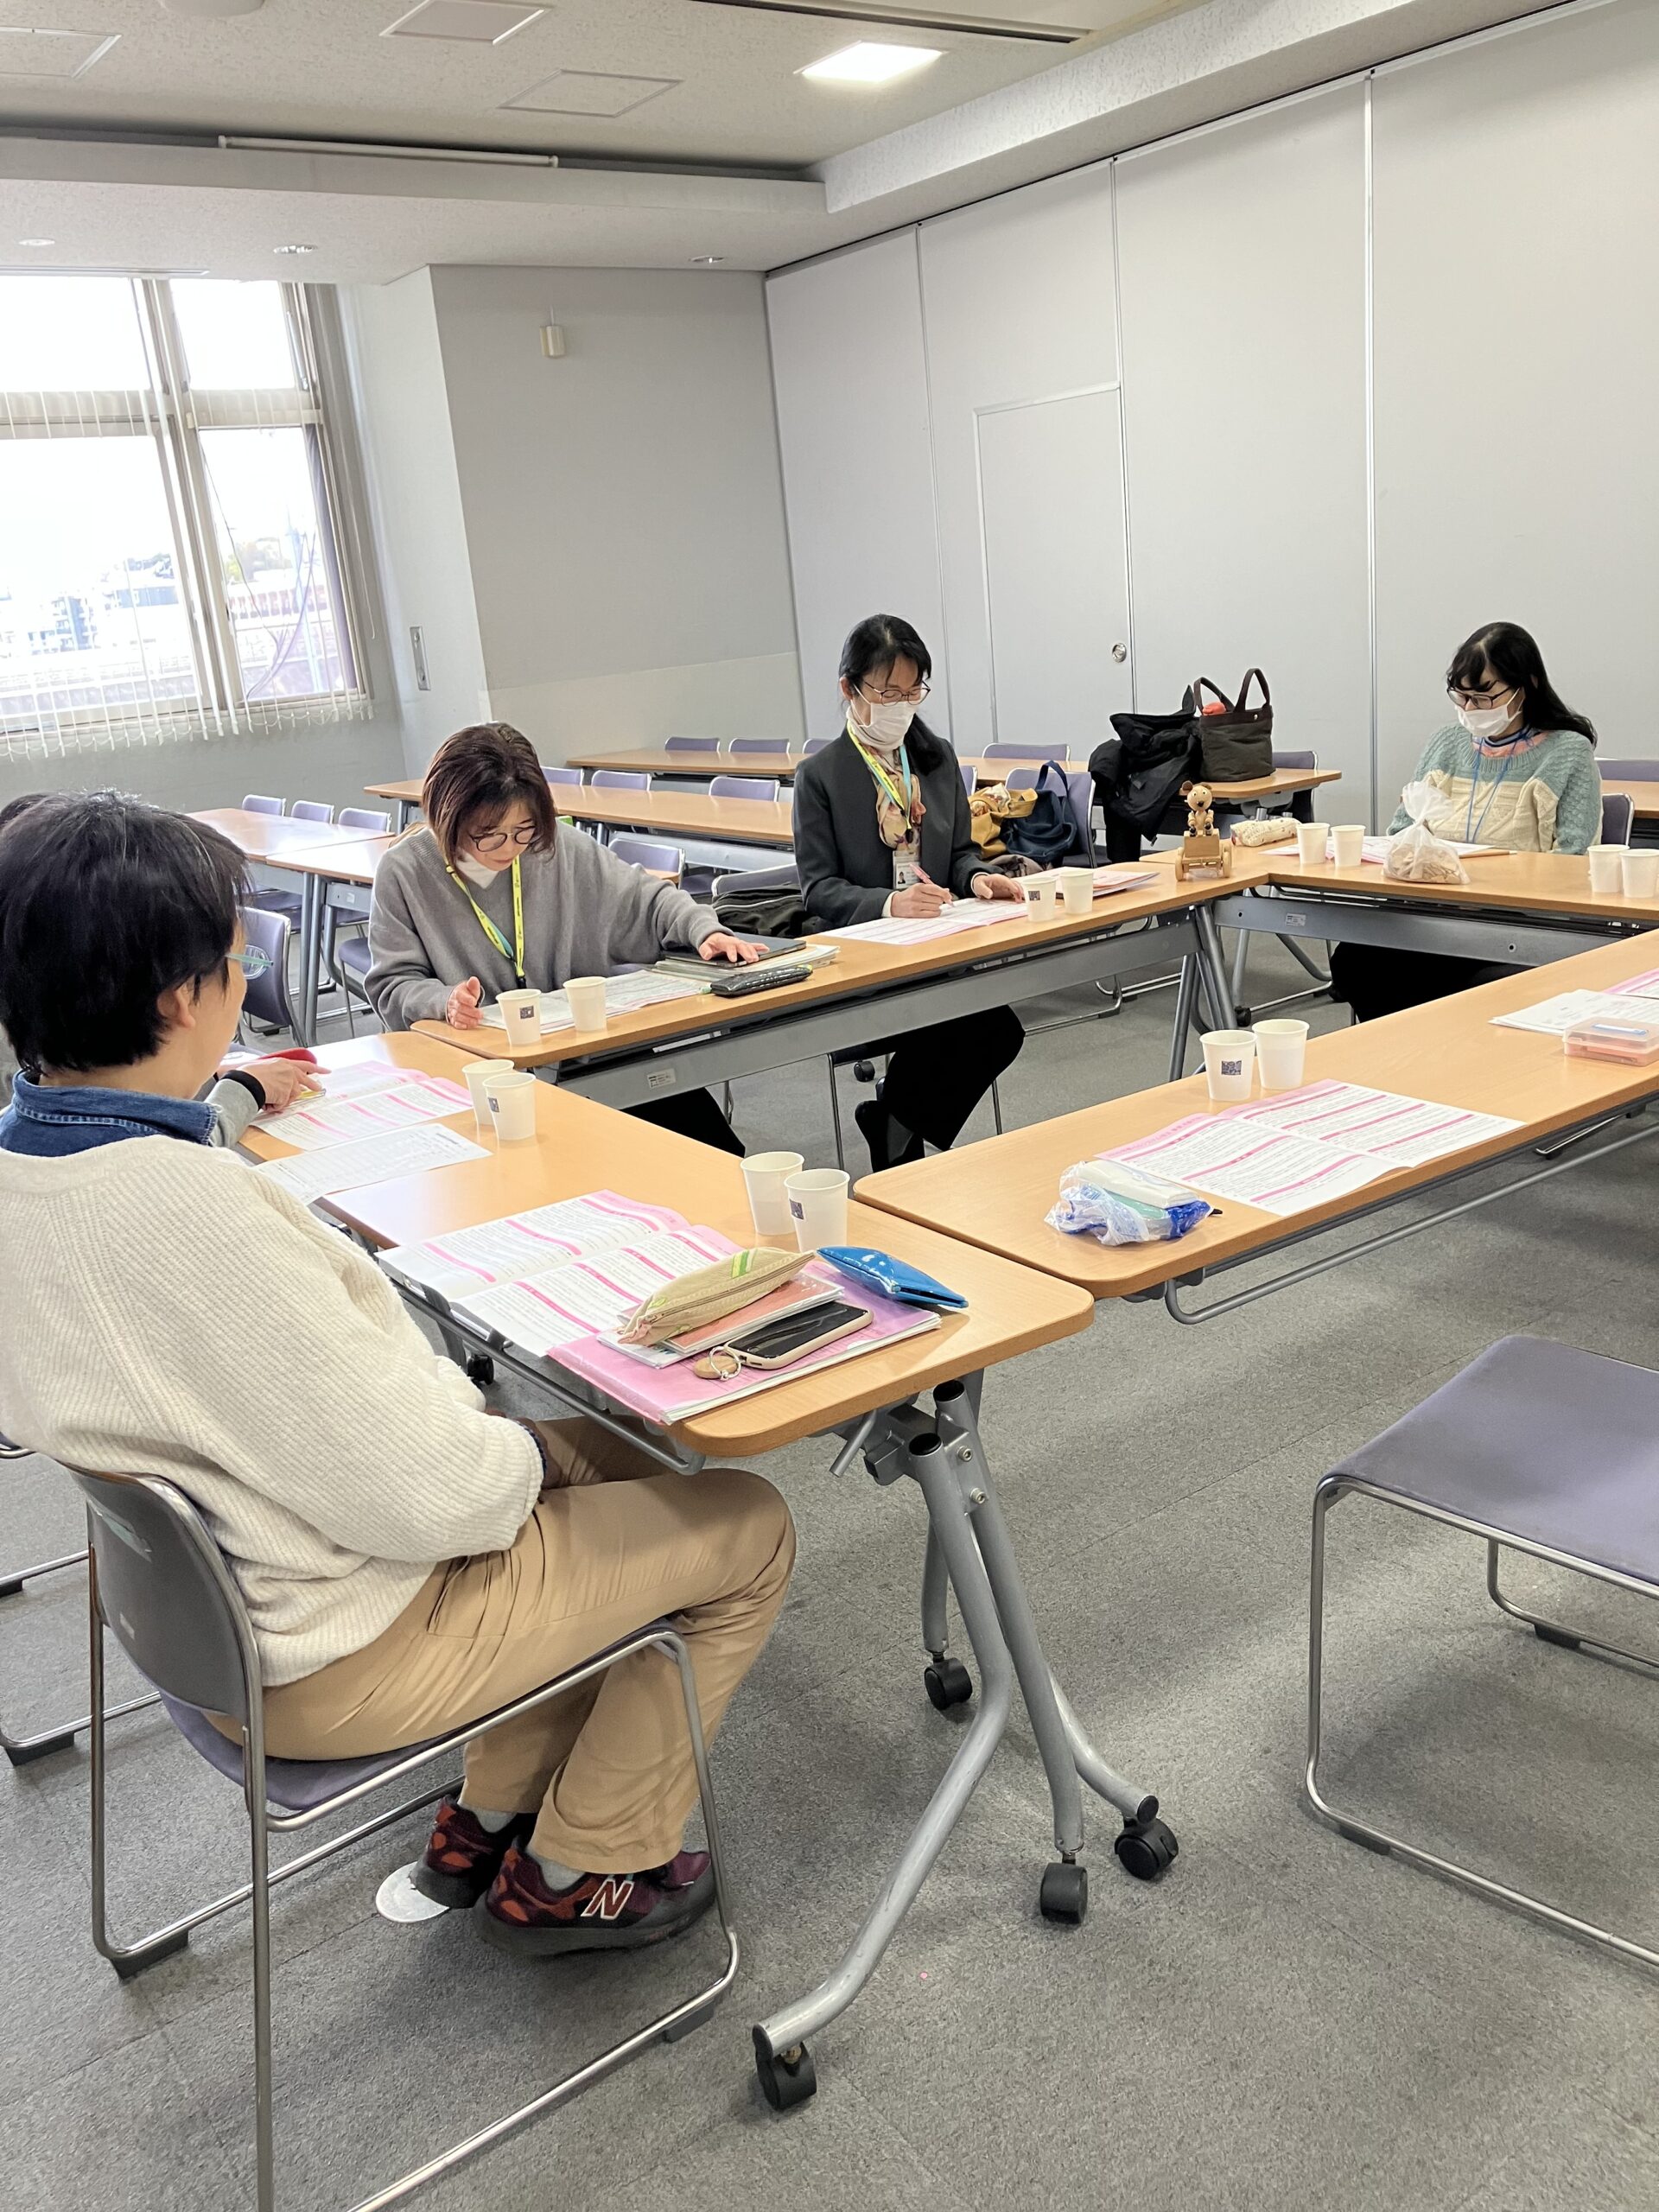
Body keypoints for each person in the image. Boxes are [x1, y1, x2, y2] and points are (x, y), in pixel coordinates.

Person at [0, 793, 794, 1954]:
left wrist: (230, 1102)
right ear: (180, 1000)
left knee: (620, 1456)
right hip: (340, 1645)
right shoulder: (198, 1222)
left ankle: (491, 1812)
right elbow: (440, 1499)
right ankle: (583, 1865)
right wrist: (513, 1457)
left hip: (225, 1606)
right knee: (744, 1523)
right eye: (232, 963)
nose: (237, 985)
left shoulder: (34, 1172)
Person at [367, 722, 760, 1155]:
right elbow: (392, 984)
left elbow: (647, 900)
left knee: (716, 1153)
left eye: (523, 829)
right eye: (489, 834)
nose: (509, 847)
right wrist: (443, 1001)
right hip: (482, 1072)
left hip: (586, 1055)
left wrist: (703, 930)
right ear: (448, 816)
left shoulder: (556, 848)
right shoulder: (405, 872)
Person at [791, 614, 1026, 1169]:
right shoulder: (820, 776)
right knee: (964, 1023)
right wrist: (888, 904)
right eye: (887, 693)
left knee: (997, 1028)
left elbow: (960, 851)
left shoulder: (934, 757)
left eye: (912, 691)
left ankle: (893, 1120)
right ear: (850, 688)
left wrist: (977, 877)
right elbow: (818, 889)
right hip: (865, 955)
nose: (901, 705)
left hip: (939, 945)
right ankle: (898, 1133)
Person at [1329, 622, 1602, 1021]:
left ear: (1527, 685)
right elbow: (1401, 831)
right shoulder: (1447, 744)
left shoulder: (1567, 753)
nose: (1471, 710)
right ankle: (1409, 1052)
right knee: (1357, 961)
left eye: (1484, 696)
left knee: (1469, 984)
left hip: (1518, 922)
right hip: (1435, 912)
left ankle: (1439, 1051)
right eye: (1462, 696)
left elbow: (1572, 862)